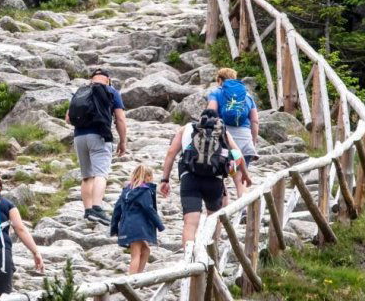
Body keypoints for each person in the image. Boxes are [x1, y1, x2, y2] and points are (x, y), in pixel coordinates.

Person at [160, 109, 252, 246]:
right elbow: (238, 155)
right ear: (217, 120)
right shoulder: (222, 131)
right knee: (214, 219)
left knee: (190, 224)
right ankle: (212, 256)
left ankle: (189, 260)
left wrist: (165, 180)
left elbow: (171, 153)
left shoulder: (187, 128)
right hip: (214, 179)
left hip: (189, 178)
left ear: (200, 118)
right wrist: (245, 174)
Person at [65, 68, 128, 225]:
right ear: (108, 79)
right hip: (99, 136)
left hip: (79, 137)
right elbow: (120, 119)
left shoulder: (80, 91)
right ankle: (97, 208)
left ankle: (87, 212)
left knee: (87, 176)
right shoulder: (111, 91)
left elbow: (67, 118)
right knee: (101, 174)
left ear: (91, 79)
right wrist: (123, 141)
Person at [207, 68, 260, 199]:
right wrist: (253, 141)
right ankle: (243, 212)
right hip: (244, 140)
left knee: (219, 178)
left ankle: (222, 213)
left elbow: (210, 113)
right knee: (241, 179)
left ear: (219, 80)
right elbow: (255, 121)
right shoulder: (247, 96)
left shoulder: (216, 92)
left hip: (223, 141)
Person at [110, 164, 165, 274]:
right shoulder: (145, 191)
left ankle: (138, 278)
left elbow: (117, 210)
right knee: (136, 255)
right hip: (138, 227)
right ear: (148, 177)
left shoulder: (126, 191)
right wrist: (159, 225)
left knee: (145, 250)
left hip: (127, 225)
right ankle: (133, 280)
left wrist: (114, 227)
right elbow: (148, 208)